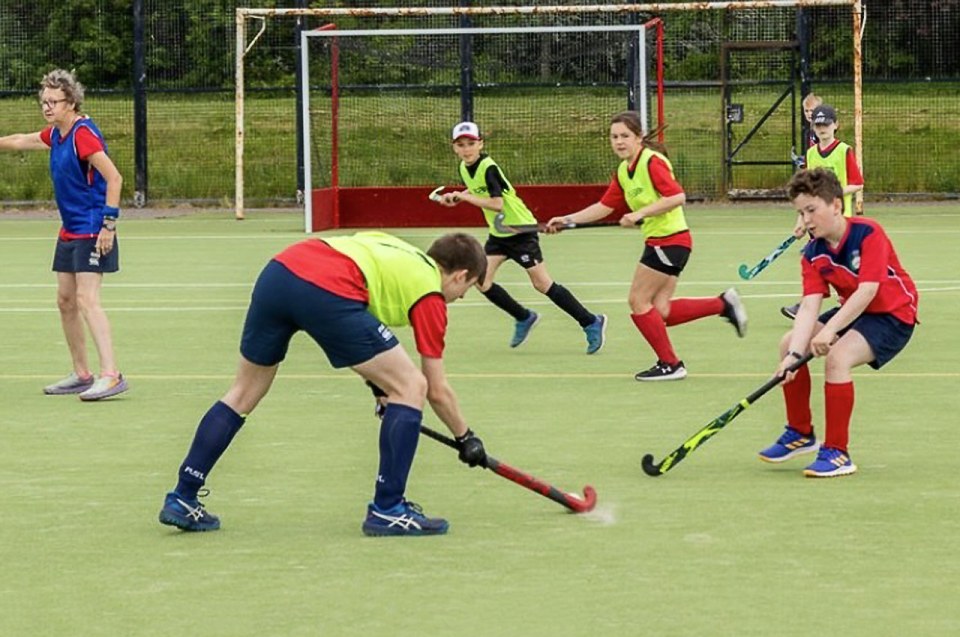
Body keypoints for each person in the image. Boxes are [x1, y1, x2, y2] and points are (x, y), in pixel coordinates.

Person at [158, 231, 489, 536]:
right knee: (411, 386)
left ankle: (183, 496)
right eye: (467, 288)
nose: (460, 297)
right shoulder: (430, 293)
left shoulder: (401, 254)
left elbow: (364, 324)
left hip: (280, 272)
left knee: (243, 392)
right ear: (460, 275)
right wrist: (465, 437)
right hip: (325, 288)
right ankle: (389, 508)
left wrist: (381, 388)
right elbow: (436, 389)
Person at [545, 111, 747, 381]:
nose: (619, 142)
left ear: (639, 137)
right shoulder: (624, 171)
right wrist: (568, 220)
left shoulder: (652, 161)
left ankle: (670, 364)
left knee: (638, 301)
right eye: (614, 137)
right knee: (660, 310)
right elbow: (604, 207)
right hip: (663, 242)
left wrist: (640, 214)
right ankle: (723, 304)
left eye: (625, 136)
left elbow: (677, 196)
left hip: (670, 240)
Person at [758, 169, 917, 477]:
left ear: (835, 205)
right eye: (800, 213)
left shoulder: (868, 233)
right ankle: (800, 433)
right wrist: (793, 357)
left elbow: (868, 290)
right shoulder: (812, 253)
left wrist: (830, 331)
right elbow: (809, 306)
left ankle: (837, 453)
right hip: (855, 311)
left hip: (893, 314)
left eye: (811, 210)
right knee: (788, 343)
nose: (805, 220)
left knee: (838, 358)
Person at [0, 68, 127, 401]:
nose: (47, 107)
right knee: (65, 301)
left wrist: (108, 225)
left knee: (87, 299)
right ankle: (82, 374)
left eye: (53, 101)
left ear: (70, 102)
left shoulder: (83, 134)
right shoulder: (55, 134)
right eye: (44, 101)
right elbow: (18, 141)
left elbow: (114, 179)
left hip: (92, 228)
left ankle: (111, 375)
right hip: (70, 229)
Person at [434, 121, 607, 354]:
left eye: (471, 143)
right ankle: (524, 317)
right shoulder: (465, 167)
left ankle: (590, 321)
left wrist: (465, 199)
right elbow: (477, 190)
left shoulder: (488, 167)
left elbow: (497, 203)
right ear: (454, 147)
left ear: (481, 144)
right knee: (481, 281)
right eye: (461, 145)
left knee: (542, 284)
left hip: (520, 231)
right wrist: (457, 195)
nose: (466, 149)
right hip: (499, 234)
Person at [781, 103, 865, 320]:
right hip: (818, 219)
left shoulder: (843, 150)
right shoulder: (810, 154)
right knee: (817, 261)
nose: (822, 129)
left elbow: (857, 183)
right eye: (818, 125)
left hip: (840, 220)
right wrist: (801, 218)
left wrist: (831, 194)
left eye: (826, 124)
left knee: (843, 266)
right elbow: (806, 190)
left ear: (835, 125)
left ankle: (858, 303)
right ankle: (807, 304)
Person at [791, 92, 823, 168]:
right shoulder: (810, 130)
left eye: (812, 110)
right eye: (806, 111)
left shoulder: (821, 129)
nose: (809, 114)